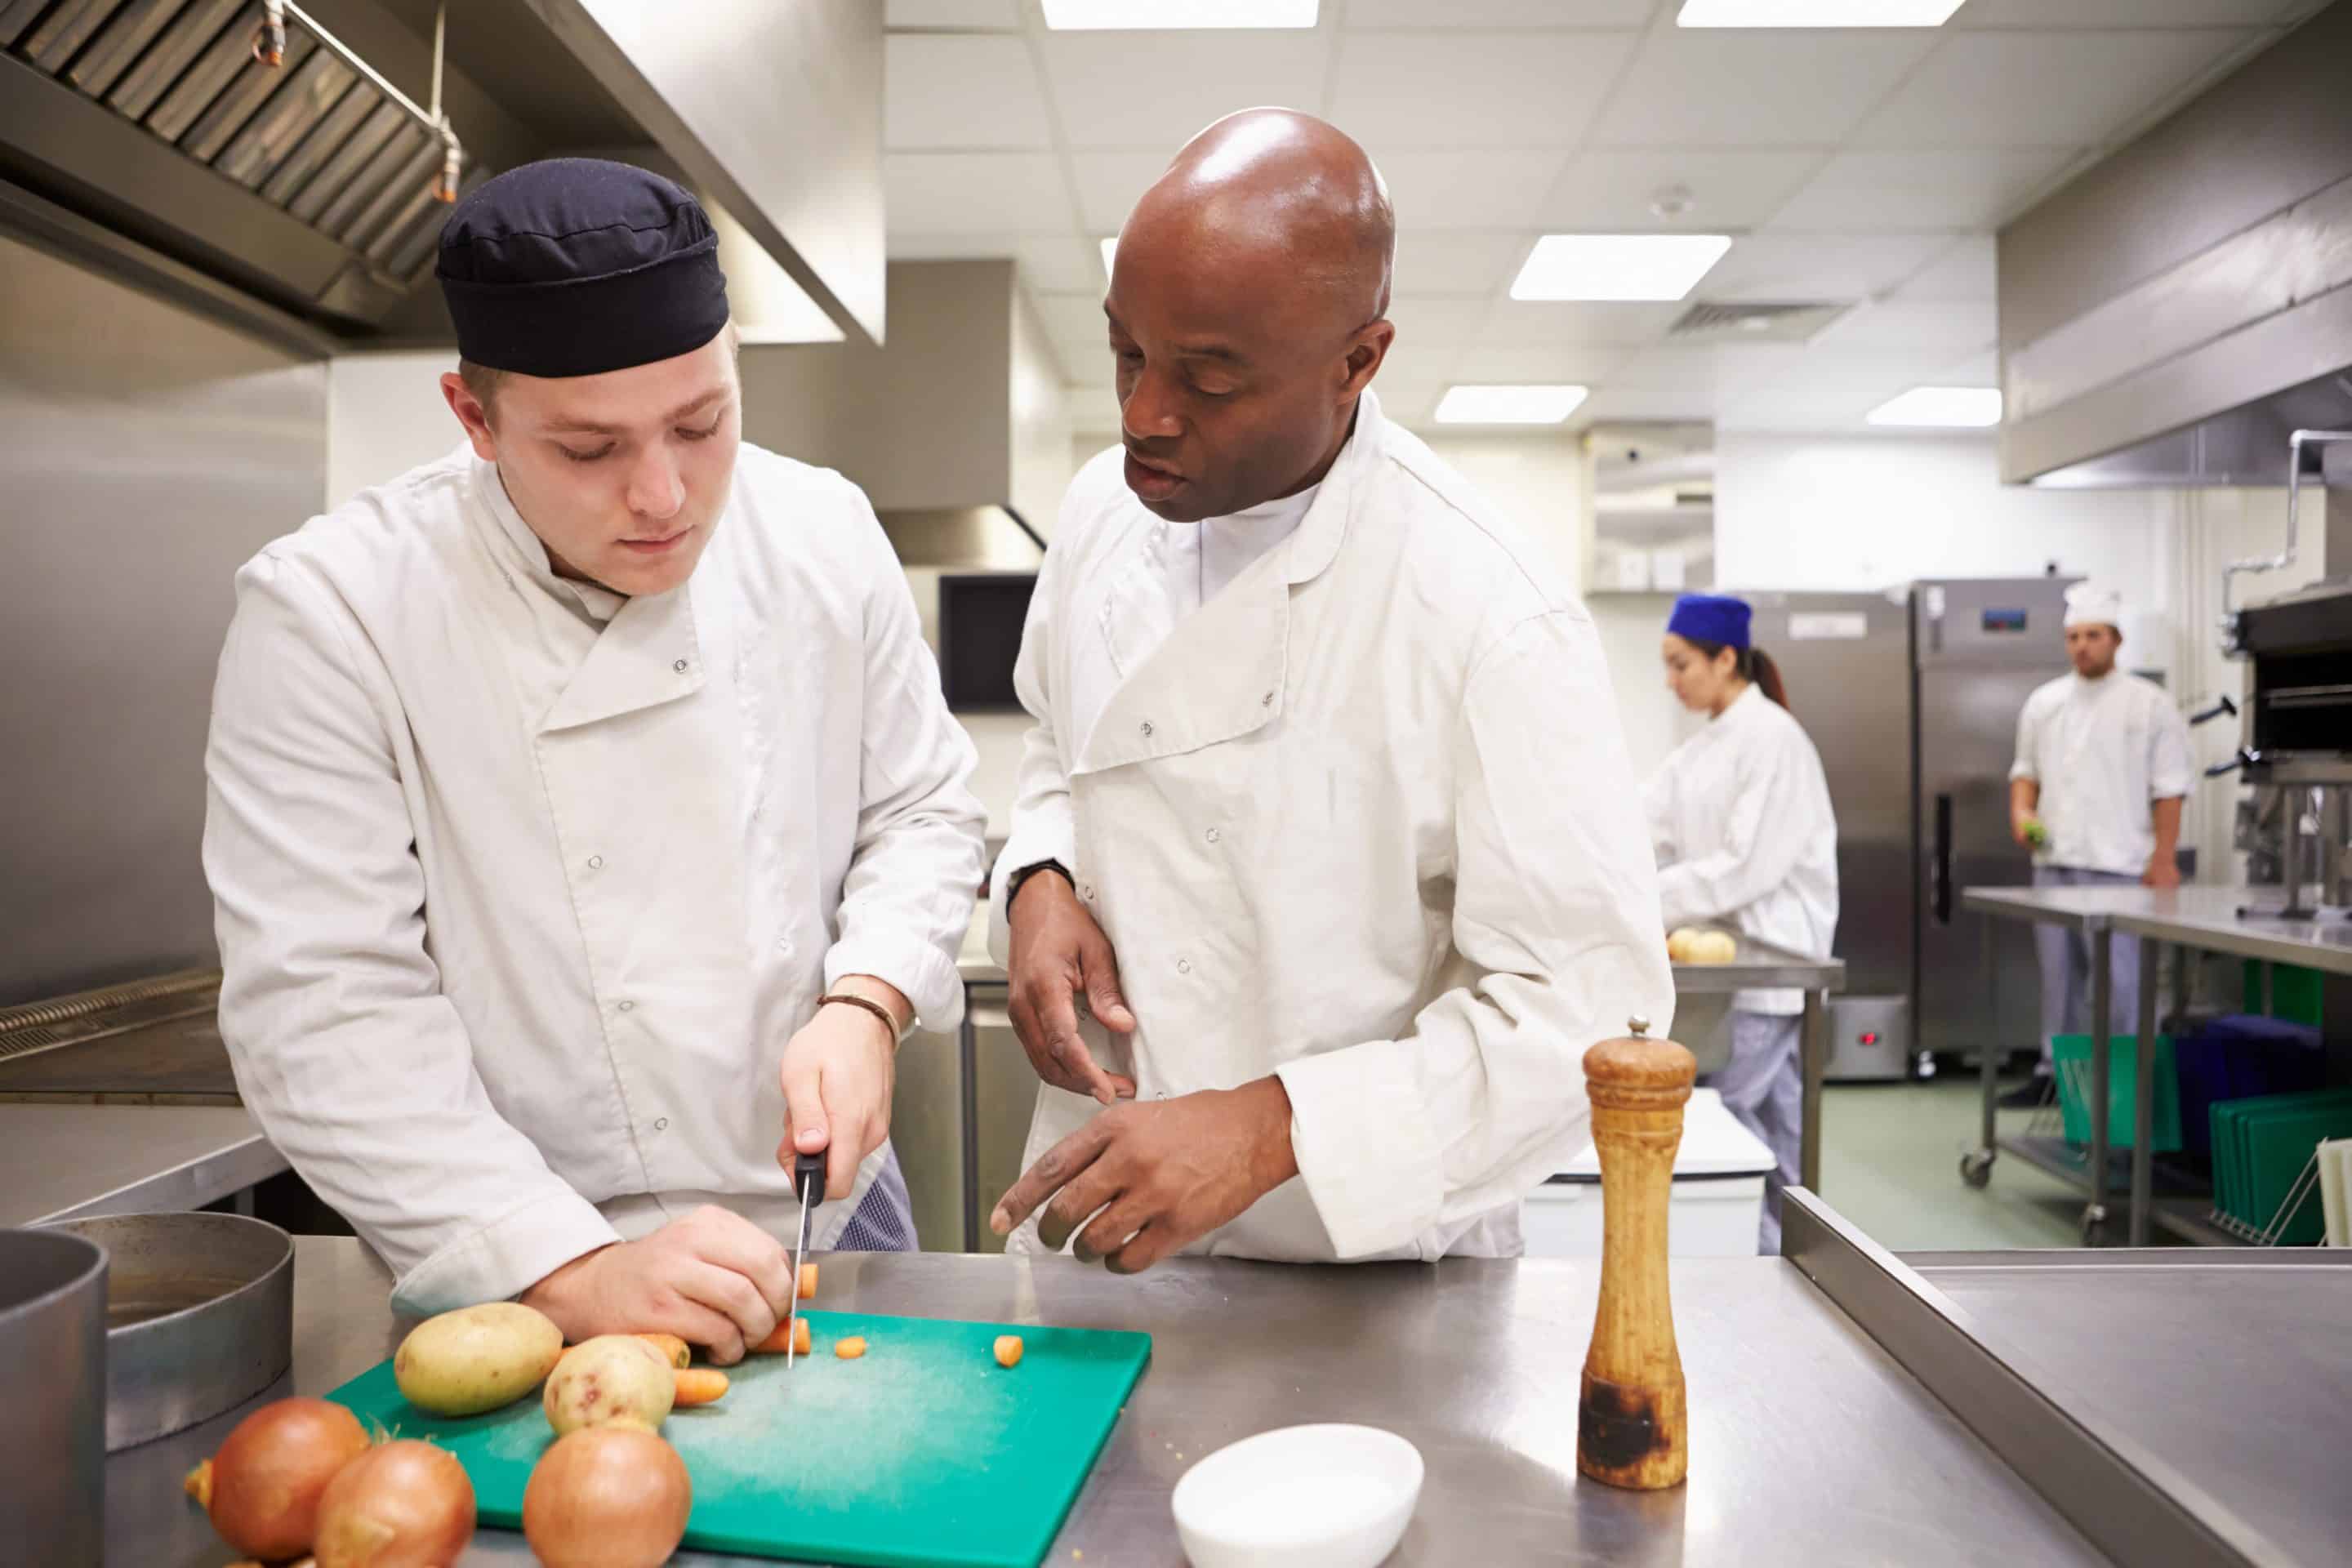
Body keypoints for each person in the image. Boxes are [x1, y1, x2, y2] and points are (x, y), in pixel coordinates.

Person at [203, 160, 985, 1358]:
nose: (664, 495)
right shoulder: (334, 610)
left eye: (701, 423)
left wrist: (867, 999)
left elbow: (924, 809)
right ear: (475, 421)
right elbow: (323, 1004)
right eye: (587, 450)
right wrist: (567, 1267)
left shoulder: (821, 534)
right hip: (524, 1245)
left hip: (832, 1214)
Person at [983, 109, 1672, 1273]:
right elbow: (1060, 740)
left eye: (1208, 378)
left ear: (1358, 362)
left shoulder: (1487, 610)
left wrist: (1272, 1127)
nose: (1145, 413)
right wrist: (1041, 880)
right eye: (1126, 352)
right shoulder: (1106, 510)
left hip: (1367, 1268)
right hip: (1096, 1232)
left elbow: (1588, 1016)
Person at [1643, 594, 1838, 1254]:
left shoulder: (1773, 738)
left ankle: (1754, 1258)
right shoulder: (1703, 747)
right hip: (1734, 960)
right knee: (1775, 1122)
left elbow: (1742, 867)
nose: (1672, 682)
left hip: (1773, 954)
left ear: (1726, 659)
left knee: (1728, 1118)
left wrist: (1642, 896)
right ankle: (1787, 1254)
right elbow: (1646, 824)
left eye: (1681, 665)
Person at [2001, 581, 2193, 1107]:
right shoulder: (2045, 703)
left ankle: (2128, 1084)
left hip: (2122, 870)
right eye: (2074, 637)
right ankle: (2054, 1077)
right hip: (2055, 865)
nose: (2082, 646)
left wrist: (2163, 859)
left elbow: (2171, 787)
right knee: (2059, 982)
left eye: (2093, 635)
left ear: (2116, 639)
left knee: (2124, 987)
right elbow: (2025, 773)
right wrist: (2022, 812)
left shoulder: (2150, 706)